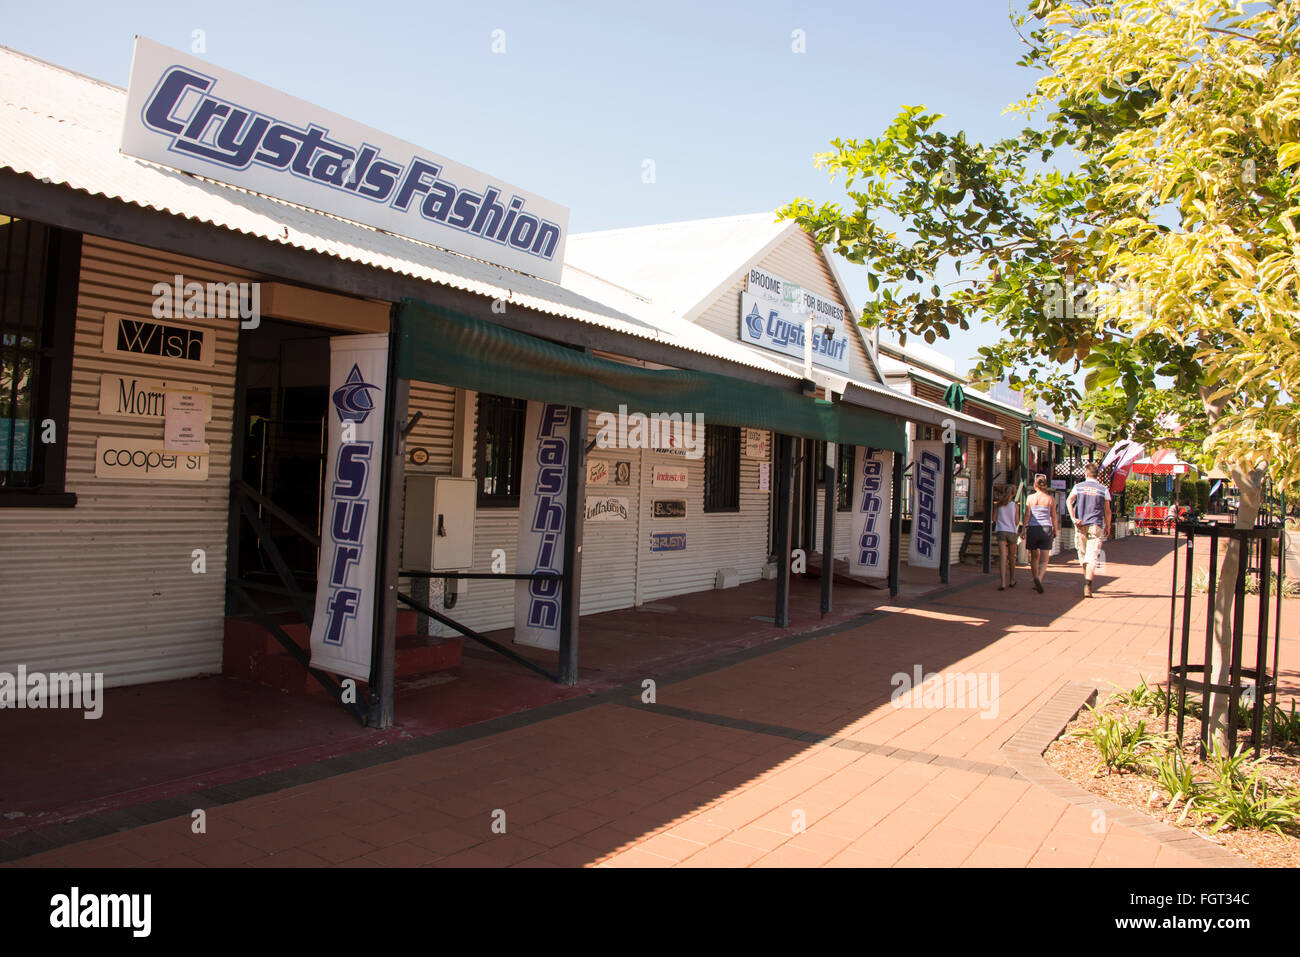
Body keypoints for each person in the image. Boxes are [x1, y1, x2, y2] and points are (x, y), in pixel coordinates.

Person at [1067, 462, 1113, 598]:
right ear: (1096, 474)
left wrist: (1073, 517)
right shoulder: (1103, 489)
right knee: (1092, 556)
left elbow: (1069, 500)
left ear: (1086, 474)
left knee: (1082, 555)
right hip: (1096, 525)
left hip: (1080, 524)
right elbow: (1107, 510)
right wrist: (1108, 526)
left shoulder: (1078, 487)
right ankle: (1088, 583)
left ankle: (1086, 580)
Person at [1023, 473, 1059, 593]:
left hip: (1033, 529)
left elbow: (1027, 515)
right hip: (1046, 528)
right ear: (1045, 486)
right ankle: (1039, 578)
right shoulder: (1050, 499)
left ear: (1035, 485)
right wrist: (1056, 529)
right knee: (1044, 559)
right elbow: (1053, 516)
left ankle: (1035, 578)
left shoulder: (1030, 498)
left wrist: (1023, 530)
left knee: (1034, 557)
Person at [993, 484, 1019, 591]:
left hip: (1001, 530)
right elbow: (1017, 521)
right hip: (1011, 531)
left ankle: (1003, 582)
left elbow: (994, 519)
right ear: (1013, 494)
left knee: (1003, 556)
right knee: (1012, 557)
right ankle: (1012, 580)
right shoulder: (1015, 506)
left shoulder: (998, 505)